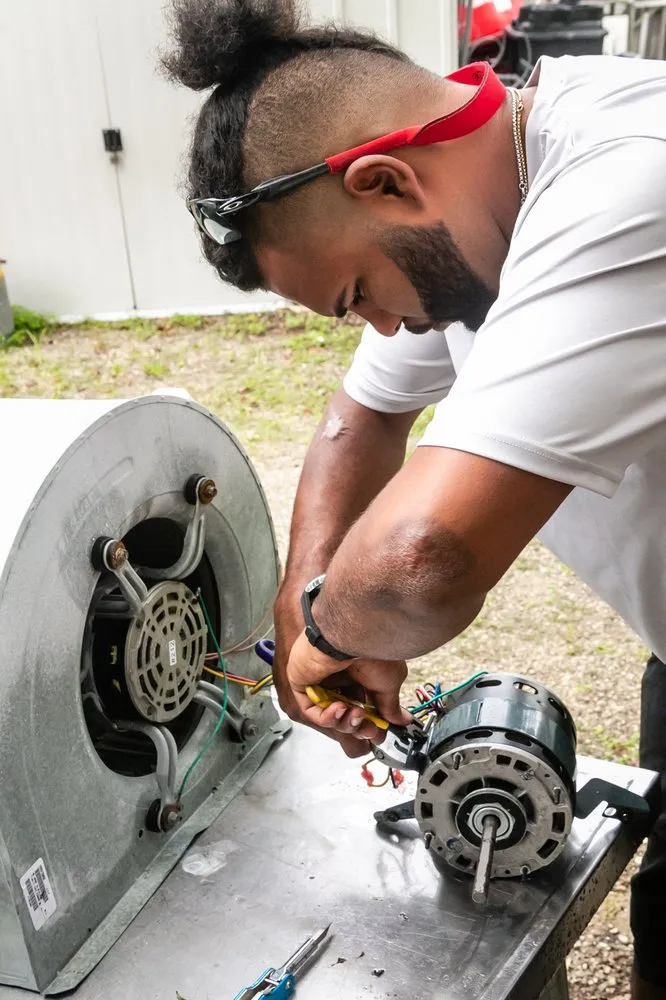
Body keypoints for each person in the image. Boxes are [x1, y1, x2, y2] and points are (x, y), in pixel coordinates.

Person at [163, 1, 666, 995]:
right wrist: (303, 604)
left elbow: (421, 559)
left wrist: (330, 634)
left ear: (386, 181)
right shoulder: (482, 203)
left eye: (357, 294)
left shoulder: (629, 181)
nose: (387, 331)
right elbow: (360, 420)